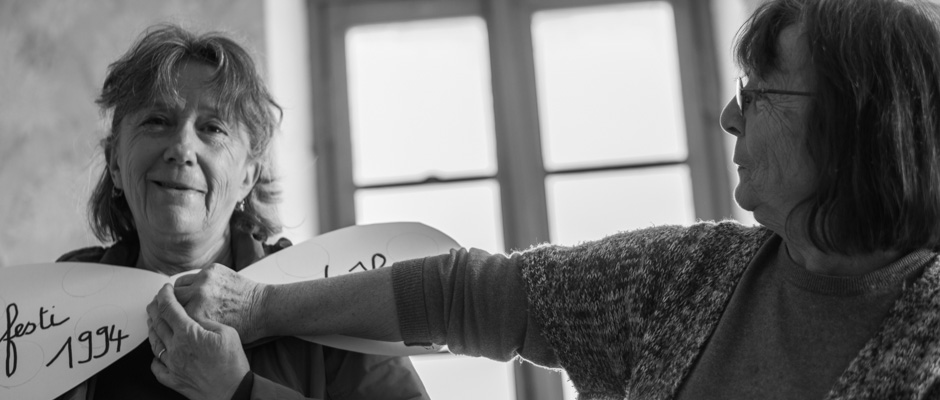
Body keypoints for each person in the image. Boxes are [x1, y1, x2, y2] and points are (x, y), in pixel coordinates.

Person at [149, 0, 940, 398]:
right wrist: (260, 311)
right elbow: (472, 293)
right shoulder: (696, 273)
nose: (731, 114)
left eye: (763, 95)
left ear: (855, 125)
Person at [57, 24, 429, 400]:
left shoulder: (324, 296)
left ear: (249, 176)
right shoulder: (51, 307)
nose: (182, 147)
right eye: (156, 121)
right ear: (115, 162)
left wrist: (241, 391)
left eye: (213, 128)